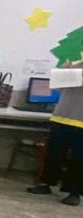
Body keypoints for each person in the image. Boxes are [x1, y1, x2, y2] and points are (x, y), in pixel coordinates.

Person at [28, 59, 83, 206]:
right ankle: (46, 184)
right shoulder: (75, 66)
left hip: (81, 122)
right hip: (61, 117)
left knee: (78, 160)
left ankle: (74, 193)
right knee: (53, 154)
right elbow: (58, 88)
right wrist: (63, 72)